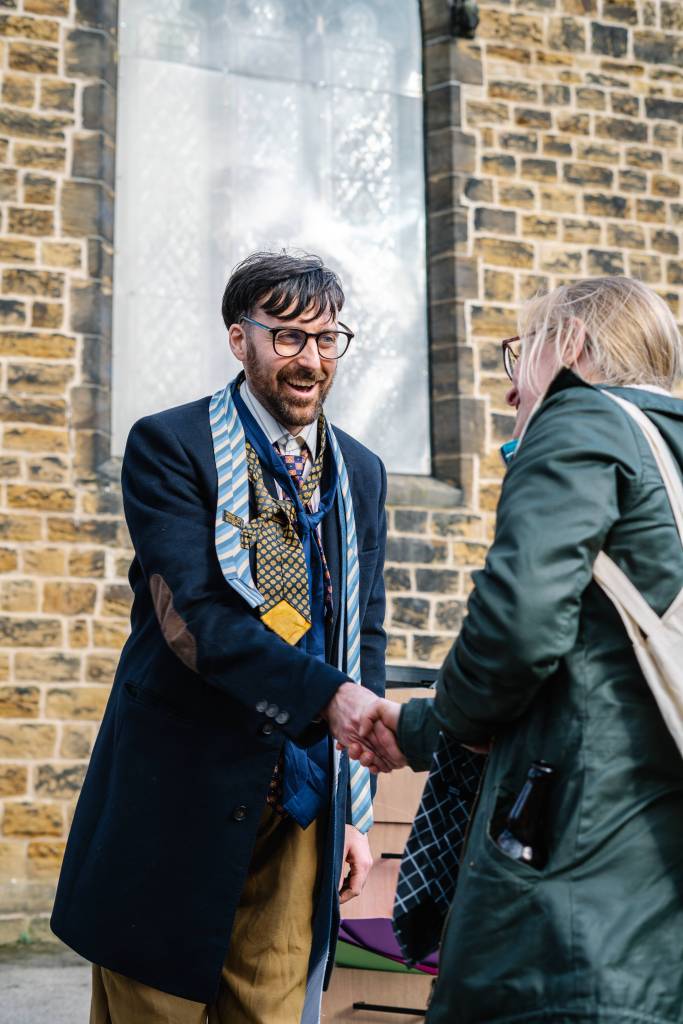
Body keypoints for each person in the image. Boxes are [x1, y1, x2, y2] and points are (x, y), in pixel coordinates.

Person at [51, 251, 389, 1024]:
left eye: (326, 339)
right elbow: (193, 618)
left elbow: (361, 631)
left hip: (300, 798)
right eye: (288, 337)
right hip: (176, 790)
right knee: (155, 1010)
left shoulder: (359, 471)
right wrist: (330, 699)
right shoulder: (171, 446)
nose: (311, 361)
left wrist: (353, 808)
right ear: (240, 339)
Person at [351, 276, 683, 1024]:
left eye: (518, 354)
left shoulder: (581, 418)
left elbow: (516, 629)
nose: (511, 391)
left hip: (575, 875)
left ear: (570, 345)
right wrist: (419, 727)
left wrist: (441, 724)